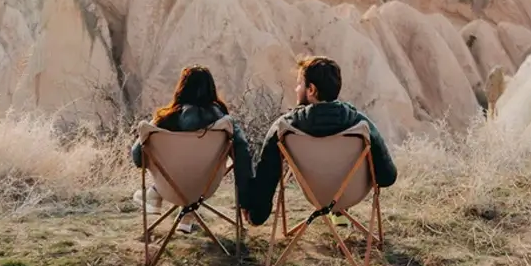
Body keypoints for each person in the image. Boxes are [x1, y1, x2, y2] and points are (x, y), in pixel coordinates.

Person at [243, 55, 398, 226]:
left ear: (311, 90)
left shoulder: (286, 127)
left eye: (299, 84)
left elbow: (267, 175)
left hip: (314, 194)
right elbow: (387, 177)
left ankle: (336, 212)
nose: (296, 89)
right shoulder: (360, 124)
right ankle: (339, 211)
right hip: (351, 194)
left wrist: (257, 215)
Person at [131, 65, 253, 234]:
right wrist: (246, 201)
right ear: (211, 90)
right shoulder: (225, 124)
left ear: (181, 89)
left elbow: (137, 157)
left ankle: (155, 194)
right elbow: (243, 156)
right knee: (196, 172)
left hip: (170, 187)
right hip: (206, 187)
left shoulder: (164, 120)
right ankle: (187, 213)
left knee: (178, 171)